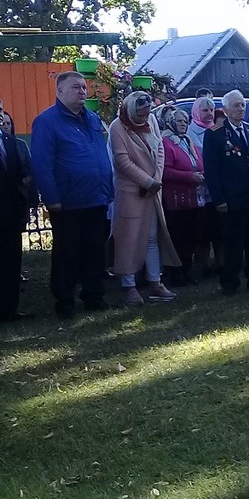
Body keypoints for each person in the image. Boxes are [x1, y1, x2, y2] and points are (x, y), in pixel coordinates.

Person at [31, 71, 114, 318]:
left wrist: (107, 189)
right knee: (67, 253)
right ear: (60, 91)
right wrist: (52, 197)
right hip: (68, 201)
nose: (82, 91)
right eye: (76, 87)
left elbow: (100, 155)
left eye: (83, 87)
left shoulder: (92, 118)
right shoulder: (47, 121)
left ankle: (94, 296)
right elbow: (42, 163)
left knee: (94, 250)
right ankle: (65, 300)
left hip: (96, 197)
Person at [108, 92, 179, 306]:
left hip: (153, 188)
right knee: (128, 237)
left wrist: (156, 179)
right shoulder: (117, 127)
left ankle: (155, 282)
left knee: (152, 236)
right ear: (130, 111)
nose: (144, 118)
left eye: (146, 114)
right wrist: (146, 181)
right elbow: (122, 161)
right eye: (139, 114)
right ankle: (129, 285)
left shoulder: (152, 121)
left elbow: (160, 150)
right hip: (130, 190)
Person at [203, 88, 249, 294]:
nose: (240, 109)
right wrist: (219, 199)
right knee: (234, 242)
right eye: (236, 105)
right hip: (232, 197)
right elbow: (212, 170)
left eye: (242, 105)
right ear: (226, 109)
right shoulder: (215, 134)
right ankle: (230, 281)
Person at [160, 108, 206, 284]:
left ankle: (187, 271)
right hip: (175, 201)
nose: (183, 124)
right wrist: (189, 177)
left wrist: (201, 174)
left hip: (193, 199)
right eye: (179, 121)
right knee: (177, 238)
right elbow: (165, 170)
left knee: (190, 237)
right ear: (170, 122)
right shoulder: (166, 142)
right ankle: (176, 274)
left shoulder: (188, 141)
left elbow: (198, 163)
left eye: (185, 121)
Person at [0, 108, 37, 321]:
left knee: (11, 262)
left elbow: (22, 174)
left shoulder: (10, 141)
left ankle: (9, 309)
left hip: (11, 213)